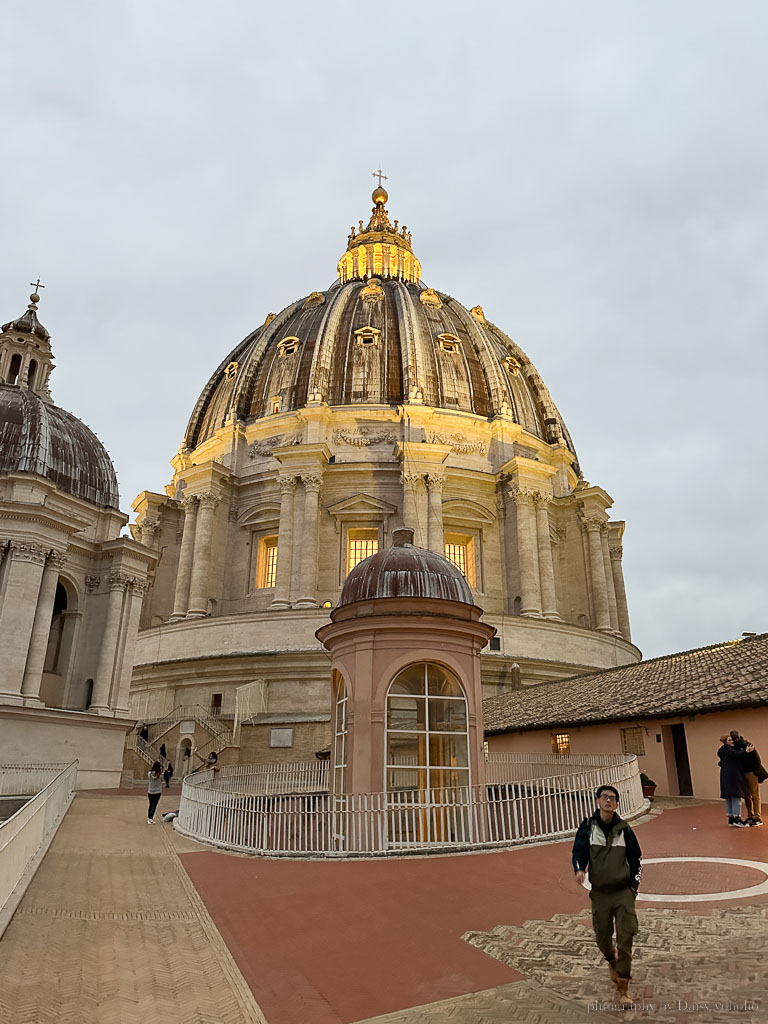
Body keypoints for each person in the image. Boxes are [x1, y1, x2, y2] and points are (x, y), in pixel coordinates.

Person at [572, 785, 642, 1009]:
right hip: (600, 892)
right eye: (605, 797)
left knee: (626, 938)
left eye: (613, 798)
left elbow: (637, 858)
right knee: (603, 938)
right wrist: (579, 868)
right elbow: (578, 851)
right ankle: (611, 959)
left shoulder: (625, 829)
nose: (608, 801)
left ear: (617, 804)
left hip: (623, 892)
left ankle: (623, 988)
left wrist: (633, 887)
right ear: (597, 801)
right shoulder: (588, 827)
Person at [717, 734, 754, 826]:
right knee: (736, 796)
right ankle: (737, 818)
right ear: (726, 742)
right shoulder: (729, 750)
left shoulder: (722, 751)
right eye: (730, 740)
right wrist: (746, 751)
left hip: (725, 777)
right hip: (733, 777)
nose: (732, 741)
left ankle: (731, 818)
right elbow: (738, 755)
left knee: (729, 797)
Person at [729, 730, 764, 827]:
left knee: (754, 795)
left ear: (739, 737)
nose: (735, 739)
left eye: (736, 737)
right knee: (746, 796)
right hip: (742, 774)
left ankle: (757, 816)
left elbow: (757, 760)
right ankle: (750, 815)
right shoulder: (734, 748)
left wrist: (755, 773)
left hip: (751, 773)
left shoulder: (748, 745)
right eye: (733, 738)